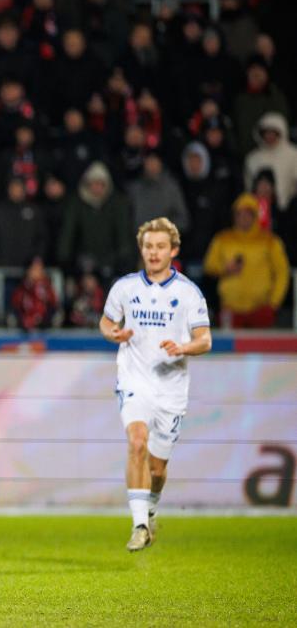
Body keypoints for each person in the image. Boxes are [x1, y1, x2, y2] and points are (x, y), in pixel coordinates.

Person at [99, 218, 212, 552]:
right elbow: (106, 321)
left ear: (173, 250)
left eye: (161, 246)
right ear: (142, 249)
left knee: (157, 468)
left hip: (171, 388)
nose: (153, 252)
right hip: (134, 380)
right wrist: (113, 333)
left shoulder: (188, 293)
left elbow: (205, 339)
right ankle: (139, 526)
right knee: (137, 442)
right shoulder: (125, 288)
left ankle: (150, 507)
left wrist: (183, 348)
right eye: (148, 246)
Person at [203, 193, 290, 328]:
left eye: (248, 213)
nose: (243, 217)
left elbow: (282, 273)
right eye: (239, 213)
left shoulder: (270, 241)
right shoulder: (222, 239)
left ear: (255, 216)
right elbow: (209, 265)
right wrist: (225, 269)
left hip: (261, 309)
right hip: (230, 308)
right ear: (234, 216)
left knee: (261, 342)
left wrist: (274, 303)